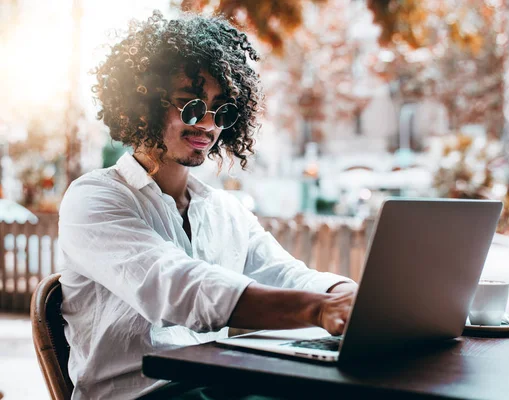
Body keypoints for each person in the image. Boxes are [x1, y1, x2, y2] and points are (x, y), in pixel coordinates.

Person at [58, 10, 357, 400]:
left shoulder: (223, 210)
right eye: (191, 105)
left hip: (212, 385)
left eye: (223, 111)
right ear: (141, 103)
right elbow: (177, 287)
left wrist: (346, 293)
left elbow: (285, 274)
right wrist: (317, 310)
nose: (209, 125)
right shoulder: (94, 198)